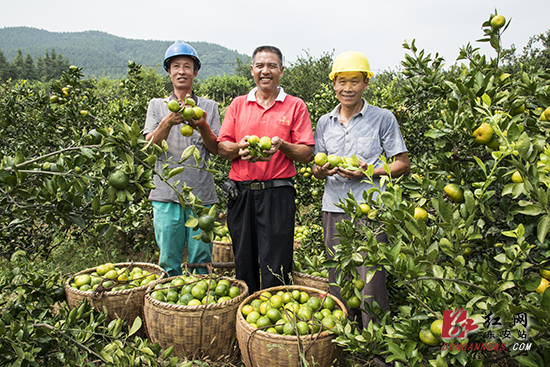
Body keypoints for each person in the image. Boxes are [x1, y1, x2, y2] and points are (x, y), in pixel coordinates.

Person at [312, 51, 410, 328]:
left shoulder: (383, 118)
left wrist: (369, 171)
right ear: (333, 84)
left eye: (355, 81)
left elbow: (402, 164)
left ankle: (377, 346)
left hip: (371, 209)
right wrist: (323, 170)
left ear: (366, 83)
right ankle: (347, 341)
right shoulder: (324, 123)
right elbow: (317, 170)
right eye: (342, 81)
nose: (348, 88)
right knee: (339, 277)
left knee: (371, 280)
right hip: (333, 208)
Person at [217, 45, 315, 293]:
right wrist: (239, 148)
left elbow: (305, 153)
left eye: (272, 65)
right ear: (252, 70)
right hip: (241, 193)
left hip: (277, 193)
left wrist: (282, 146)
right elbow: (222, 147)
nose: (265, 71)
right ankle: (246, 316)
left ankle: (274, 319)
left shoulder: (295, 106)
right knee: (243, 258)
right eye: (260, 65)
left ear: (281, 70)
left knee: (277, 261)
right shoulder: (238, 104)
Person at [144, 41, 220, 276]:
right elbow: (149, 147)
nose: (181, 71)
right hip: (166, 194)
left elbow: (216, 148)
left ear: (195, 72)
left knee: (201, 260)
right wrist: (167, 121)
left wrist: (202, 125)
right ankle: (169, 307)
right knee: (168, 259)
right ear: (169, 72)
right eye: (176, 66)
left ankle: (199, 307)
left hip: (201, 196)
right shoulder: (157, 106)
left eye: (187, 66)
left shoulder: (208, 107)